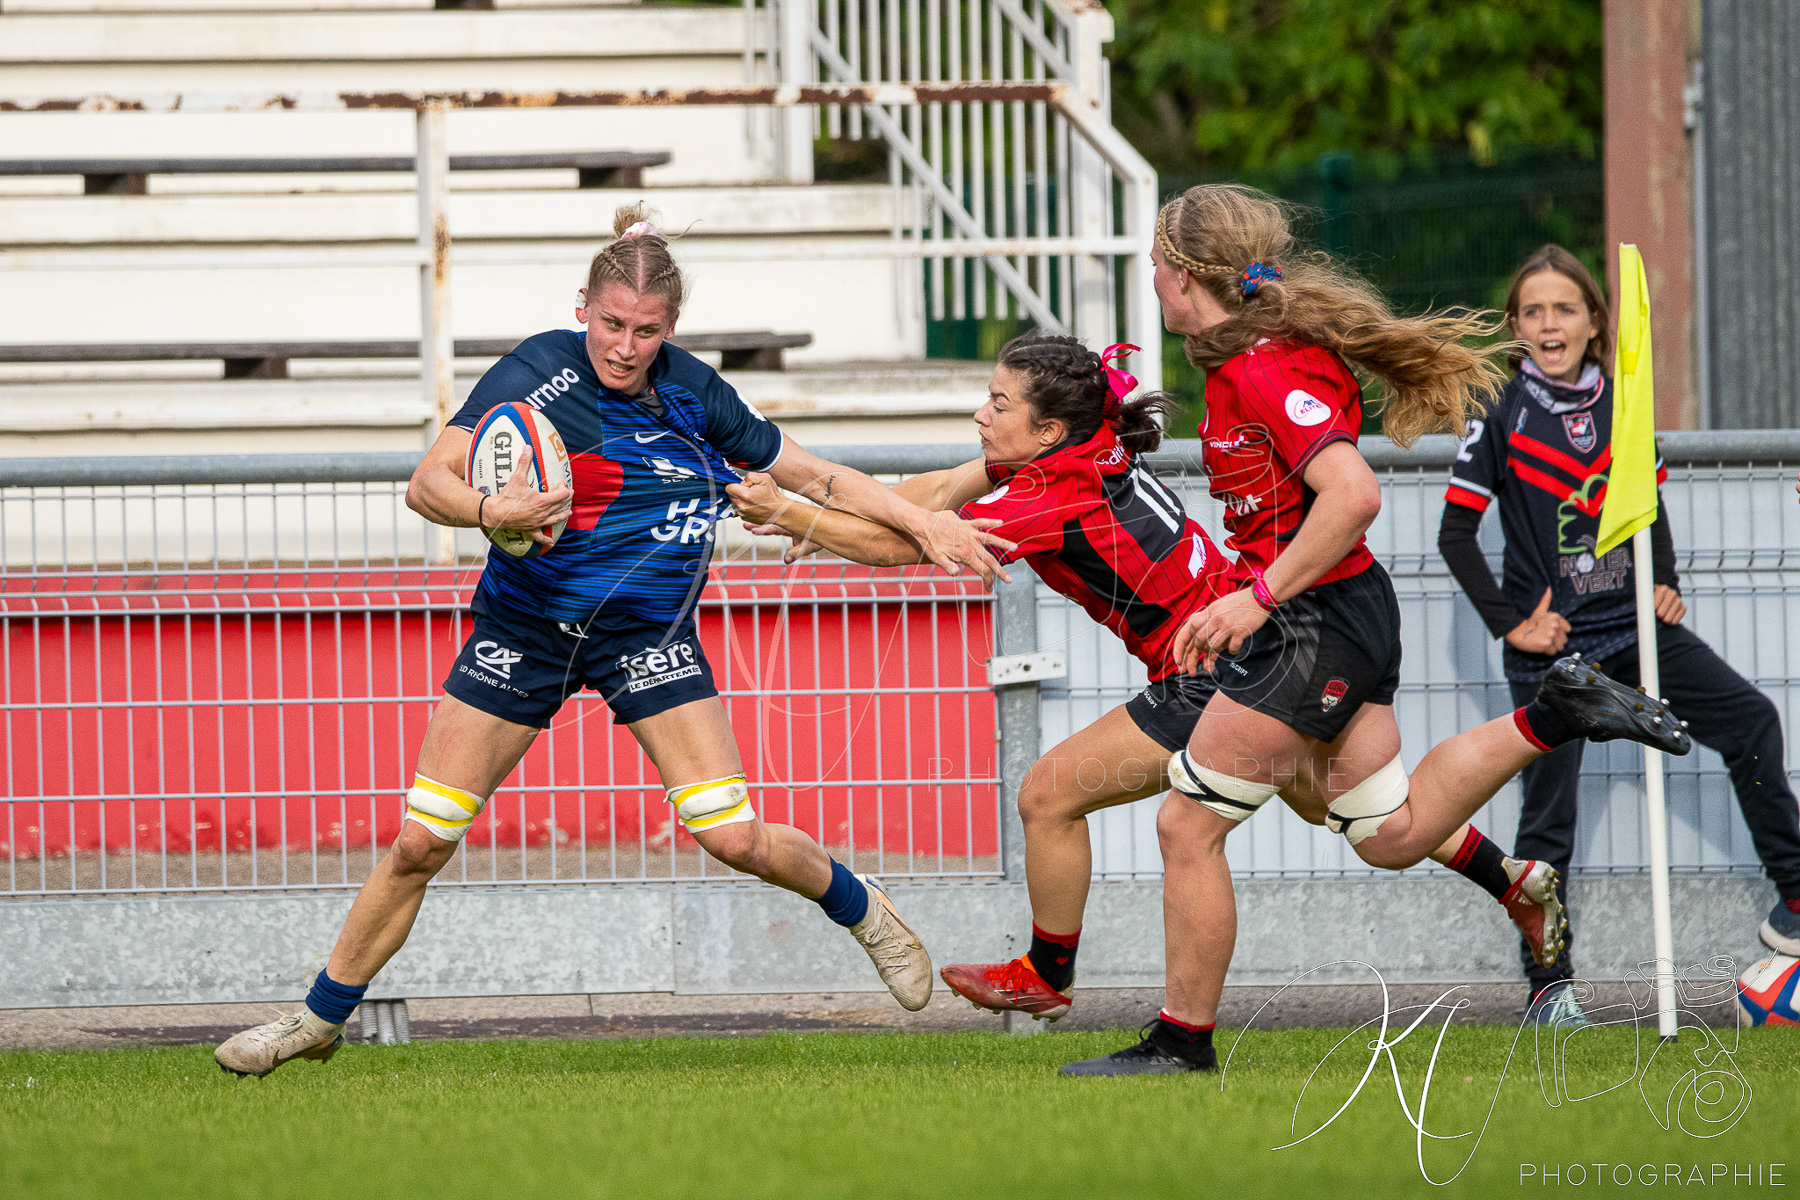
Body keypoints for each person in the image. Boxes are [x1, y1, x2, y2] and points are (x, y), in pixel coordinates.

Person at [213, 205, 1013, 1078]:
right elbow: (427, 483)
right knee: (421, 843)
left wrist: (924, 526)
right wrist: (494, 510)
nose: (626, 347)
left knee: (732, 838)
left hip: (646, 636)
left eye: (647, 330)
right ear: (582, 309)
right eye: (612, 324)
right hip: (525, 628)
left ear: (671, 329)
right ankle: (317, 1017)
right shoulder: (537, 370)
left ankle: (862, 910)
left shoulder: (695, 393)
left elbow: (819, 476)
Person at [729, 333, 1577, 1027]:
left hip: (1215, 664)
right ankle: (1515, 877)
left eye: (997, 403)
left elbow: (914, 546)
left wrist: (795, 514)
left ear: (1047, 430)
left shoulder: (1051, 493)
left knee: (1049, 795)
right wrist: (829, 516)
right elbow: (925, 502)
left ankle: (1048, 973)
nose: (979, 413)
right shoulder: (1076, 444)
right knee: (1362, 818)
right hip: (1275, 643)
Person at [1059, 185, 1692, 1077]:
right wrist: (1250, 594)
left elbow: (1353, 495)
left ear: (1185, 273)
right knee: (1388, 835)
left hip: (1315, 625)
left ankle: (1181, 1044)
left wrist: (1254, 599)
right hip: (1337, 617)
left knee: (1185, 826)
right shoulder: (1243, 355)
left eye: (1156, 259)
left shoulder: (1262, 366)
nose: (1150, 275)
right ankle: (1557, 711)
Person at [1438, 244, 1800, 1022]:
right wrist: (1515, 625)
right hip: (1556, 654)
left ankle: (1796, 899)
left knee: (1751, 723)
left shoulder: (1623, 402)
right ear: (1515, 326)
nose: (1548, 322)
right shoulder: (1497, 408)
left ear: (1596, 322)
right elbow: (1455, 537)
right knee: (1549, 816)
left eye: (1564, 308)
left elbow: (1650, 507)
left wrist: (1664, 581)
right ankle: (1549, 989)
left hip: (1635, 629)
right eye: (1532, 311)